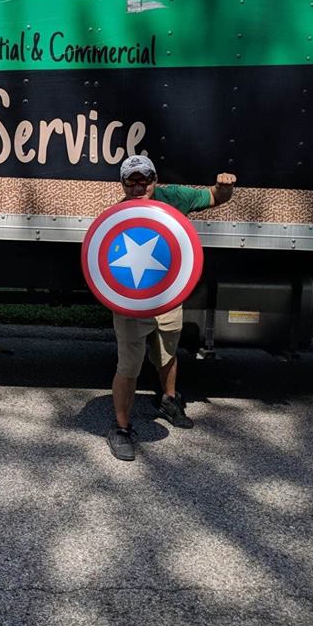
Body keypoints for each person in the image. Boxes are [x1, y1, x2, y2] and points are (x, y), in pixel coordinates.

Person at [107, 154, 236, 462]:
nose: (140, 186)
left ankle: (168, 400)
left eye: (145, 180)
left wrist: (224, 185)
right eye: (132, 181)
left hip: (167, 299)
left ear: (155, 179)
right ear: (123, 184)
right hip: (132, 304)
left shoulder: (174, 196)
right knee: (129, 365)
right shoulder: (117, 216)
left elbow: (216, 197)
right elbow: (107, 262)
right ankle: (121, 429)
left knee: (168, 351)